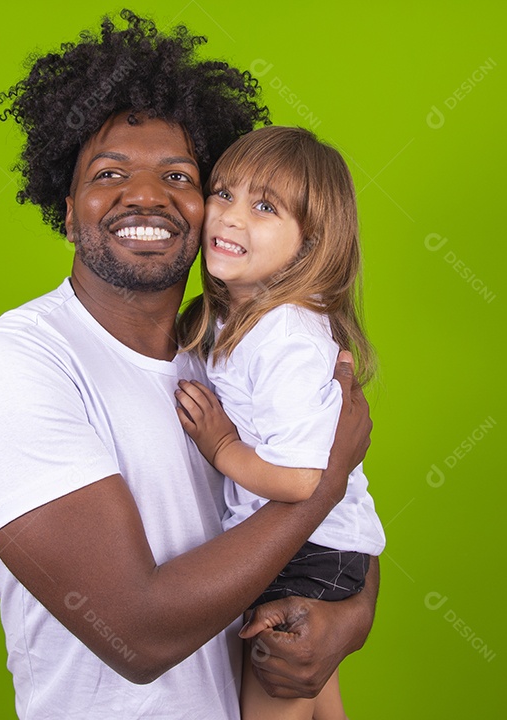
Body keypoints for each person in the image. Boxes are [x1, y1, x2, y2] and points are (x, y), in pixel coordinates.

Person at [0, 10, 382, 719]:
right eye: (110, 173)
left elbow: (341, 528)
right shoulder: (12, 367)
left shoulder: (231, 349)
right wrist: (322, 482)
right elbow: (137, 635)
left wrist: (347, 620)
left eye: (178, 175)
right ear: (68, 211)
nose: (146, 194)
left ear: (205, 210)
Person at [175, 126, 385, 720]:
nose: (230, 216)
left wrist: (221, 445)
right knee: (321, 705)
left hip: (308, 551)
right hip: (319, 546)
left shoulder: (286, 336)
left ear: (310, 243)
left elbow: (301, 480)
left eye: (264, 207)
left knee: (274, 704)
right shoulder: (239, 315)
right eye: (223, 193)